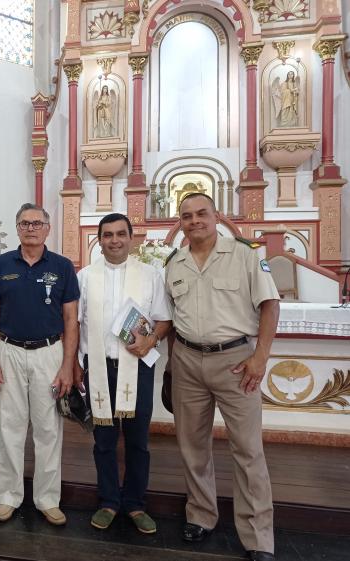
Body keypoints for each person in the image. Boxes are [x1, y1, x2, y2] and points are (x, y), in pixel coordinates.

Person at [165, 193, 280, 561]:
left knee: (247, 450)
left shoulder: (245, 256)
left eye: (201, 213)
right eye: (187, 216)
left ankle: (258, 536)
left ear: (217, 216)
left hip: (234, 361)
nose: (194, 220)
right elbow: (169, 319)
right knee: (191, 445)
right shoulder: (174, 262)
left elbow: (270, 305)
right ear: (180, 222)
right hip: (186, 359)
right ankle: (200, 515)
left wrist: (260, 357)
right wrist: (170, 365)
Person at [0, 203, 79, 526]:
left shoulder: (63, 267)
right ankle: (8, 496)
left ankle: (47, 499)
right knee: (10, 427)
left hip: (49, 353)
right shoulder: (1, 264)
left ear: (47, 229)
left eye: (37, 223)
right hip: (8, 351)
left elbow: (70, 318)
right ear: (17, 228)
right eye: (24, 223)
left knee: (48, 429)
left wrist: (67, 365)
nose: (31, 228)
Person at [75, 213, 172, 534]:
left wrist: (152, 339)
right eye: (107, 235)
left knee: (137, 441)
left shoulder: (150, 275)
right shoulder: (86, 277)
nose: (114, 240)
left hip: (137, 368)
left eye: (120, 234)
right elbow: (75, 323)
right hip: (99, 367)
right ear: (99, 240)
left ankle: (134, 503)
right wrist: (75, 363)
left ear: (131, 238)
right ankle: (108, 501)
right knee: (103, 440)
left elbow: (163, 318)